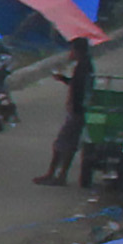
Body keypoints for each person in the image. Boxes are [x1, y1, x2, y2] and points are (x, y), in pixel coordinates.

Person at [36, 41, 97, 185]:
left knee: (62, 143)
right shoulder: (85, 66)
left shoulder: (83, 67)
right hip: (78, 111)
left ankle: (55, 174)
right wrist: (64, 79)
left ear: (77, 51)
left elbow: (80, 90)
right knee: (69, 144)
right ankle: (60, 174)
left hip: (77, 111)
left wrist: (73, 107)